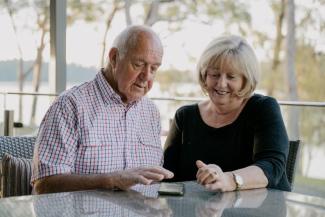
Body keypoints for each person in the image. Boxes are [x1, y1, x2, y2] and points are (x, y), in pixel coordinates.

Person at [31, 25, 174, 194]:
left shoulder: (151, 112)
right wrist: (111, 180)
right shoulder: (70, 106)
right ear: (114, 58)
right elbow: (44, 185)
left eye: (154, 68)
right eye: (138, 64)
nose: (147, 76)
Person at [163, 35, 290, 192]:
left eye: (231, 76)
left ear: (246, 80)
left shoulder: (263, 108)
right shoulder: (184, 116)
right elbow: (168, 175)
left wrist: (230, 180)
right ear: (204, 75)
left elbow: (272, 166)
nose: (221, 84)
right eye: (215, 74)